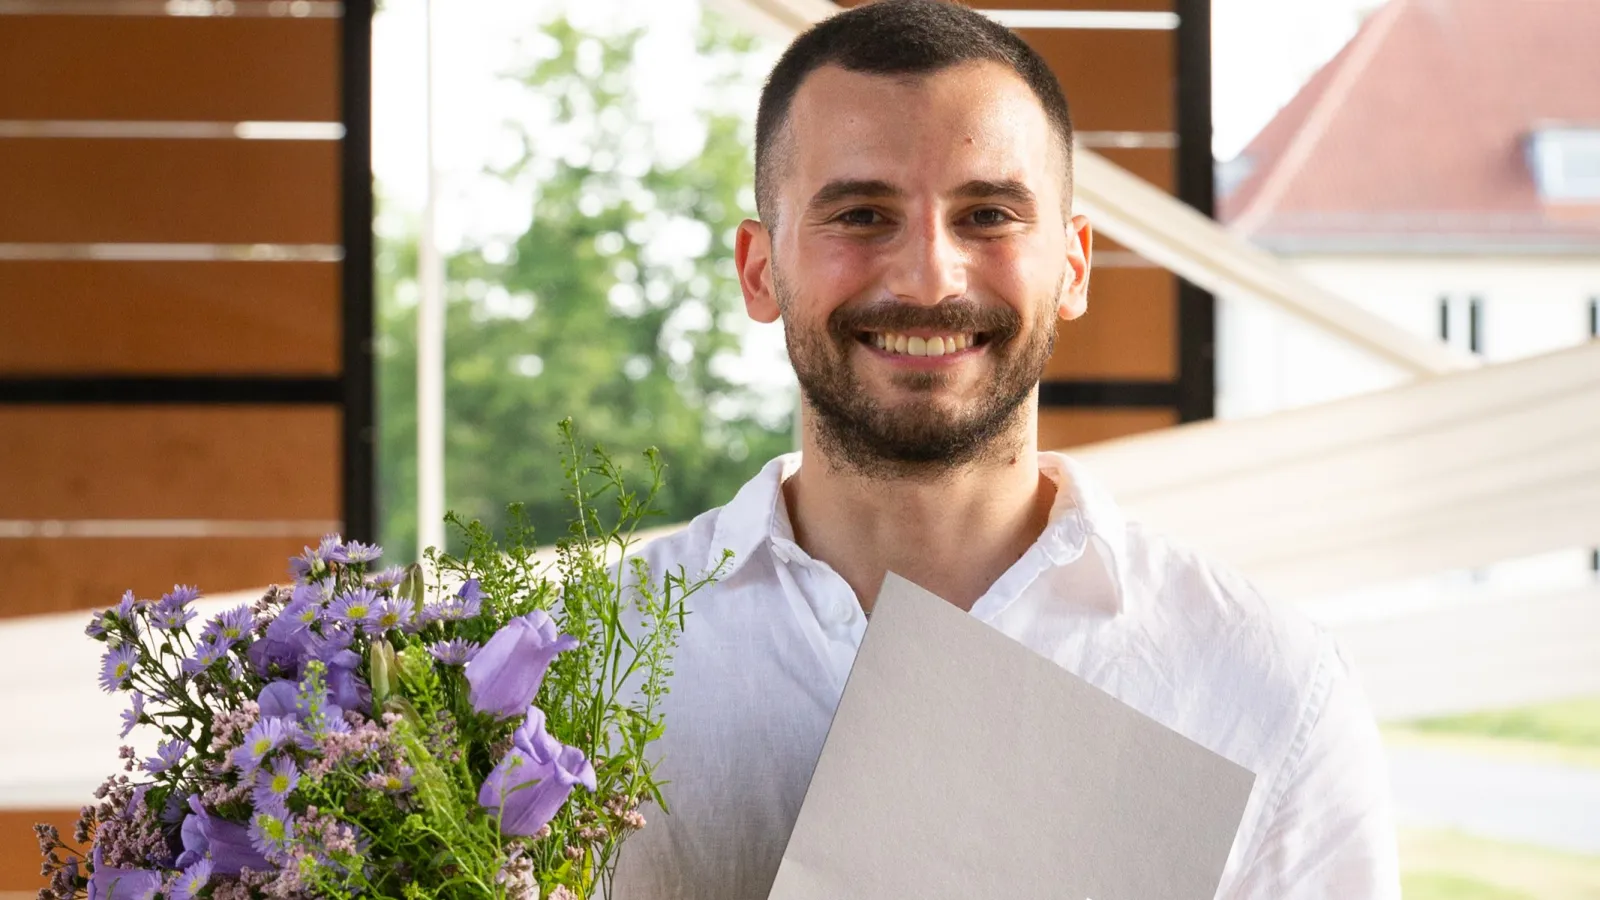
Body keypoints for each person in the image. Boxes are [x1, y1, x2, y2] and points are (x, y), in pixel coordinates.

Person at [611, 1, 1400, 897]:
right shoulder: (582, 670)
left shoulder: (1268, 688)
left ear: (1074, 267)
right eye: (863, 215)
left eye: (987, 214)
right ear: (760, 271)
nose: (928, 277)